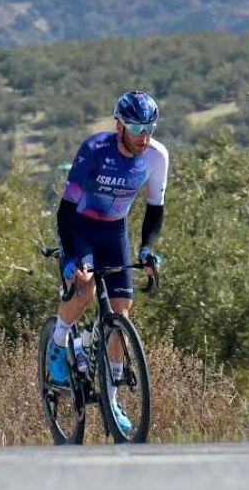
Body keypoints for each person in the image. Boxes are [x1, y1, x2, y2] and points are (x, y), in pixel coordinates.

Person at [47, 91, 168, 429]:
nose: (143, 135)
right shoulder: (94, 150)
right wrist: (71, 255)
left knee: (120, 314)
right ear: (118, 125)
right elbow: (66, 209)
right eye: (134, 126)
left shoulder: (157, 157)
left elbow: (155, 209)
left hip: (115, 231)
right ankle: (59, 340)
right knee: (83, 288)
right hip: (81, 226)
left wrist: (146, 249)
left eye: (149, 127)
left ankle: (112, 401)